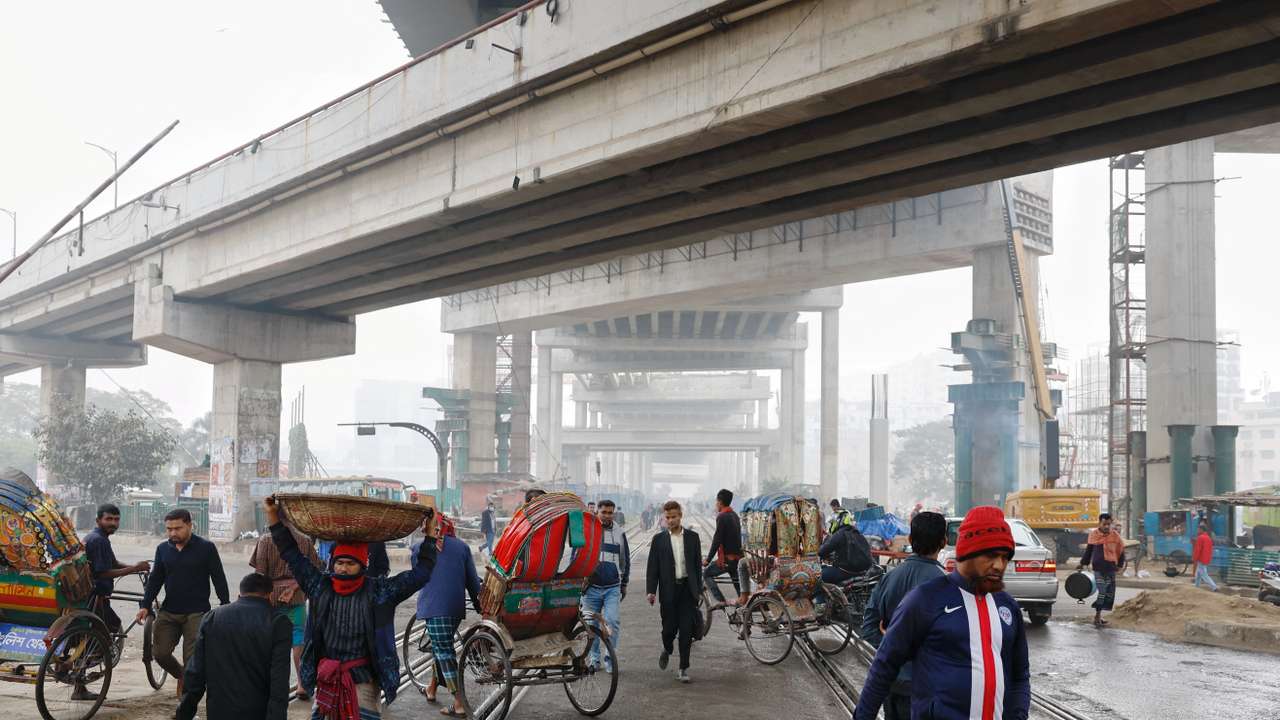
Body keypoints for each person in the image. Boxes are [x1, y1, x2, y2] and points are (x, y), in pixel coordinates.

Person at [263, 497, 439, 720]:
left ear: (362, 566)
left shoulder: (380, 592)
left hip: (364, 682)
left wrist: (430, 537)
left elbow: (420, 574)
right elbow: (292, 554)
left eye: (350, 564)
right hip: (327, 678)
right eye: (339, 563)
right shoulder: (319, 586)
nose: (343, 569)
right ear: (332, 563)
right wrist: (273, 517)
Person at [852, 505, 1030, 720]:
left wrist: (1018, 715)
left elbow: (1020, 676)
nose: (999, 565)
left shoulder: (1007, 606)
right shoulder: (926, 599)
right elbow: (883, 667)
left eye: (1005, 557)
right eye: (990, 556)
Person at [859, 512, 948, 720]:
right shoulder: (946, 585)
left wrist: (893, 647)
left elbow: (869, 628)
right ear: (944, 542)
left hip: (893, 683)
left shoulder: (889, 577)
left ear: (910, 540)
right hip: (928, 690)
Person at [136, 509, 230, 696]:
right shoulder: (163, 549)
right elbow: (156, 579)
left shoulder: (206, 548)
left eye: (177, 528)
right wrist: (145, 605)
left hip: (197, 613)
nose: (172, 533)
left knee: (192, 661)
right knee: (160, 654)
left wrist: (225, 605)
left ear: (189, 525)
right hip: (169, 611)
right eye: (169, 529)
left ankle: (185, 709)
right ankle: (181, 675)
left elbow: (218, 577)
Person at [176, 573, 293, 720]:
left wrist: (184, 713)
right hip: (258, 712)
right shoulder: (278, 623)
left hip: (218, 712)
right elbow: (279, 680)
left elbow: (195, 673)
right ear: (269, 596)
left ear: (240, 594)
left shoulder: (212, 618)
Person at [411, 514, 481, 718]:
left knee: (443, 652)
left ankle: (459, 702)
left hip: (434, 606)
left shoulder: (418, 548)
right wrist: (479, 606)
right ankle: (432, 689)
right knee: (440, 647)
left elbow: (417, 577)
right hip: (454, 608)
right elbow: (472, 581)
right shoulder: (462, 547)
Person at [251, 519, 322, 699]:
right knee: (298, 640)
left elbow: (260, 574)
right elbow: (316, 568)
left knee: (270, 642)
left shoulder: (265, 541)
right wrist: (293, 587)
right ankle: (302, 685)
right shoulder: (304, 540)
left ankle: (268, 685)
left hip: (270, 598)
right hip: (297, 597)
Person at [646, 500, 703, 683]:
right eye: (668, 517)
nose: (670, 520)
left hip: (687, 590)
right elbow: (652, 567)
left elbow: (696, 566)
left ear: (680, 516)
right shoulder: (659, 540)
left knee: (686, 631)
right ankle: (667, 648)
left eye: (674, 517)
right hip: (668, 591)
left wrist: (698, 589)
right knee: (668, 629)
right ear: (664, 517)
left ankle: (683, 668)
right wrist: (651, 591)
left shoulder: (693, 538)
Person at [84, 503, 150, 634]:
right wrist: (134, 568)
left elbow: (113, 563)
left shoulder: (99, 537)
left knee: (102, 627)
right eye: (109, 519)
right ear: (98, 521)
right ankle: (97, 654)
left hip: (96, 595)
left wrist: (136, 568)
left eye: (116, 519)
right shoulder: (99, 540)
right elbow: (102, 574)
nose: (113, 523)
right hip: (95, 595)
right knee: (113, 626)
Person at [582, 499, 630, 672]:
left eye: (611, 512)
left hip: (612, 587)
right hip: (591, 588)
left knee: (612, 622)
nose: (608, 516)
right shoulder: (589, 530)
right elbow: (578, 555)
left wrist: (623, 583)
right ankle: (594, 659)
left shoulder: (619, 533)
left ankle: (610, 659)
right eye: (604, 512)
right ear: (598, 512)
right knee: (591, 625)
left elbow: (625, 560)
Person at [1079, 512, 1126, 627]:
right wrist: (1083, 563)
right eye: (1104, 524)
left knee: (1109, 594)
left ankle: (1099, 614)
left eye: (1108, 524)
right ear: (1099, 523)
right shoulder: (1093, 535)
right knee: (1102, 592)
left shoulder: (1115, 536)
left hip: (1111, 569)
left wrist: (1120, 566)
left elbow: (1121, 552)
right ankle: (1097, 616)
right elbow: (1089, 551)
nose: (1106, 526)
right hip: (1098, 569)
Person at [702, 489, 742, 609]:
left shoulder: (722, 516)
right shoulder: (735, 515)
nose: (716, 504)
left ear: (720, 502)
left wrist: (708, 560)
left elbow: (717, 540)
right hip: (737, 558)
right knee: (738, 585)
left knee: (706, 574)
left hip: (727, 560)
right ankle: (745, 609)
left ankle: (721, 601)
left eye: (716, 502)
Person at [818, 515, 873, 584]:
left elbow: (821, 551)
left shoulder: (840, 533)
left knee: (817, 576)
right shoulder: (858, 533)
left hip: (845, 572)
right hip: (861, 572)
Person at [1192, 520, 1218, 592]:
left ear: (1201, 530)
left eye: (1198, 529)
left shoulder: (1200, 538)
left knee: (1204, 574)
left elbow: (1197, 550)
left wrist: (1194, 558)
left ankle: (1214, 587)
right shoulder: (1208, 538)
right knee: (1199, 573)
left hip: (1201, 559)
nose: (1197, 530)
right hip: (1206, 559)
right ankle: (1196, 586)